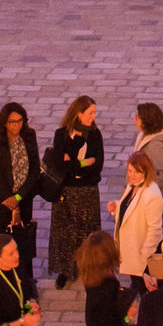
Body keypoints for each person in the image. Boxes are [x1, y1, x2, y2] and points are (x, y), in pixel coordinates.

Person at [45, 95, 105, 289]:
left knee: (87, 232)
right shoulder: (61, 134)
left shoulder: (95, 135)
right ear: (78, 113)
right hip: (67, 191)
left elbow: (97, 166)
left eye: (93, 112)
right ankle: (65, 270)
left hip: (87, 191)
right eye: (89, 113)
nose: (92, 116)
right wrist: (82, 163)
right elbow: (59, 164)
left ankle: (88, 268)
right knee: (65, 232)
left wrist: (71, 163)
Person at [0, 101, 41, 275]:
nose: (16, 125)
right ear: (4, 123)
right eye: (12, 122)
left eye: (19, 121)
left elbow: (34, 169)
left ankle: (25, 282)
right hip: (2, 202)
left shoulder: (29, 136)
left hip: (23, 199)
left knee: (23, 242)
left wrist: (19, 198)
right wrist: (12, 202)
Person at [108, 149, 163, 300]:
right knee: (137, 286)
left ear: (146, 172)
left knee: (144, 290)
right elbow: (130, 207)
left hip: (140, 253)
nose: (132, 175)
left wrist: (145, 257)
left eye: (136, 172)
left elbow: (155, 229)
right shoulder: (133, 185)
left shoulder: (152, 195)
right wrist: (117, 206)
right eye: (130, 171)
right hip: (131, 250)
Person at [131, 102, 163, 194]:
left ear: (146, 122)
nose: (134, 120)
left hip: (148, 198)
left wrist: (144, 186)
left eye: (137, 118)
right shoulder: (143, 136)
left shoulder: (155, 147)